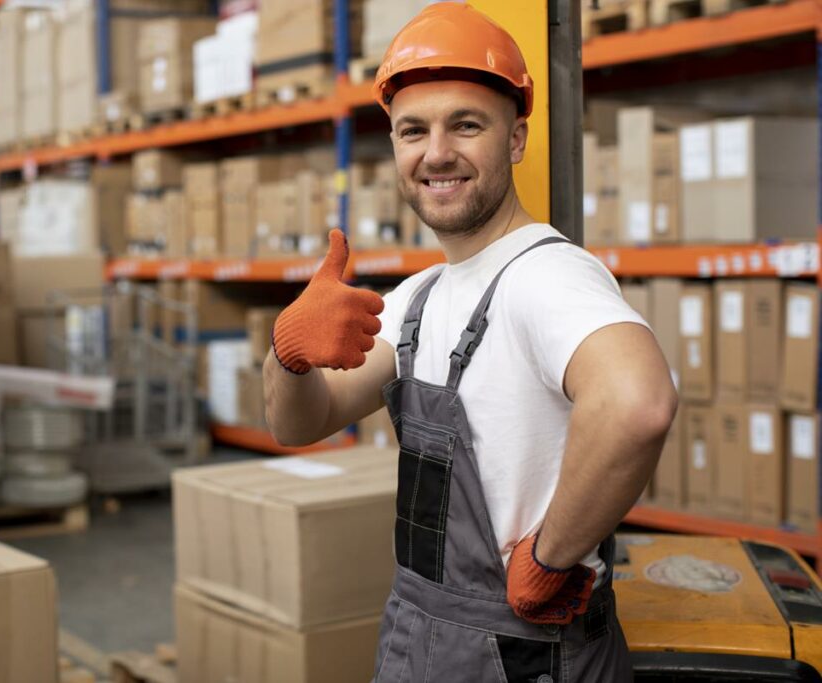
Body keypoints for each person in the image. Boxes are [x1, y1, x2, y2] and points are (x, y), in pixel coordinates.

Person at [263, 3, 677, 680]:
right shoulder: (419, 300)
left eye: (466, 125)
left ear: (515, 139)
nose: (437, 153)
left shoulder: (544, 272)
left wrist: (549, 558)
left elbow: (639, 402)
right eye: (413, 130)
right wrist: (288, 353)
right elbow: (295, 422)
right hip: (422, 635)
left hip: (526, 655)